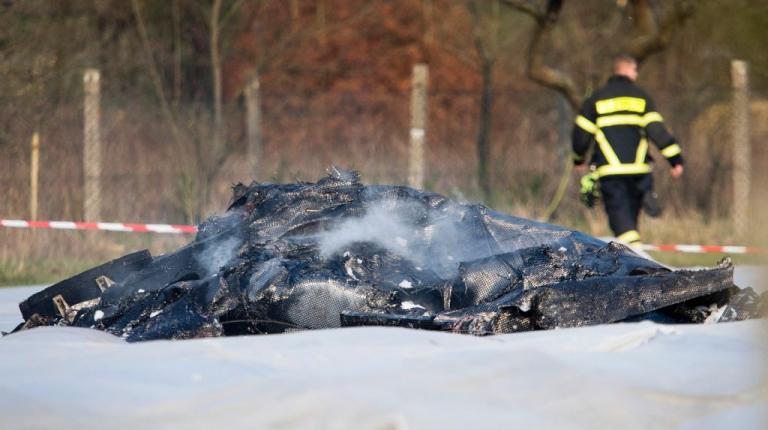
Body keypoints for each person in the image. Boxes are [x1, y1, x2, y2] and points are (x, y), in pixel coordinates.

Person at [572, 54, 683, 246]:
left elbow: (581, 135)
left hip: (611, 172)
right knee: (630, 220)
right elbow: (657, 131)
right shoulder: (641, 98)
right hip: (639, 173)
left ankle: (636, 253)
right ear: (627, 70)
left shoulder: (597, 98)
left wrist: (578, 159)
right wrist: (675, 160)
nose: (636, 74)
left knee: (621, 223)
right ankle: (636, 240)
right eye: (635, 70)